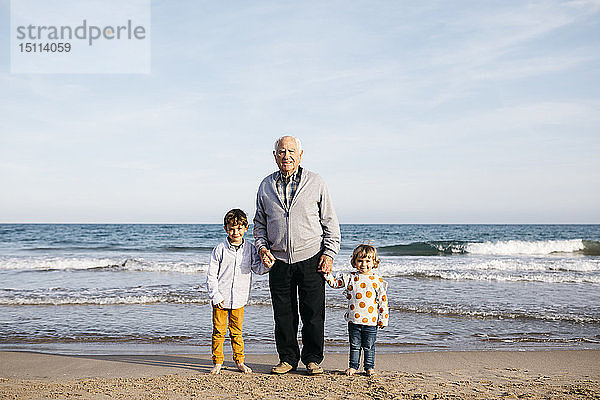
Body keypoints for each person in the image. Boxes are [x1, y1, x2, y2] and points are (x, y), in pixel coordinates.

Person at [253, 135, 341, 375]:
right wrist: (262, 248)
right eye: (281, 152)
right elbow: (259, 224)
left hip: (312, 257)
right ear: (274, 156)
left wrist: (329, 253)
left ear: (301, 155)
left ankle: (313, 359)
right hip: (278, 260)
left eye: (291, 151)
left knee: (313, 313)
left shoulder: (316, 181)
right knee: (283, 315)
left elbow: (330, 222)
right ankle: (288, 359)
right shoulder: (265, 185)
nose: (286, 156)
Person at [206, 208, 271, 374]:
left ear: (246, 228)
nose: (236, 232)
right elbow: (211, 275)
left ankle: (240, 361)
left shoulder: (249, 248)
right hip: (221, 299)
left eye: (239, 228)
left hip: (240, 299)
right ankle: (218, 362)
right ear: (226, 229)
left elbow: (256, 268)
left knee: (237, 333)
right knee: (218, 332)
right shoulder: (220, 249)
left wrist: (268, 265)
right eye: (232, 228)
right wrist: (215, 295)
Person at [324, 244, 389, 377]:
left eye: (367, 261)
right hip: (354, 320)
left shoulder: (377, 281)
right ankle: (353, 366)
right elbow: (335, 284)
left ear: (374, 263)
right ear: (354, 262)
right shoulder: (350, 278)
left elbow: (383, 301)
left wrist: (383, 318)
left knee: (369, 346)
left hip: (371, 321)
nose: (363, 264)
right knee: (354, 345)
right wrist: (327, 275)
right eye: (360, 260)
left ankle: (369, 367)